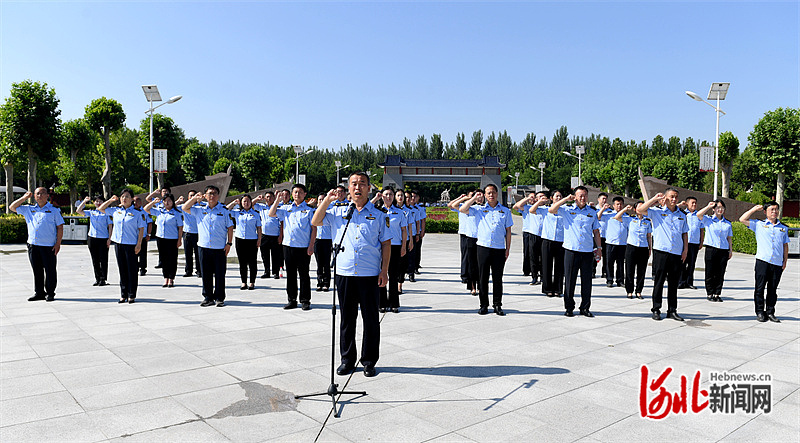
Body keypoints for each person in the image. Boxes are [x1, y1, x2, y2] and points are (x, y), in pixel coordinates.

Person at [311, 172, 391, 378]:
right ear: (348, 189)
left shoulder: (380, 215)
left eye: (362, 184)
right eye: (354, 184)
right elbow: (315, 221)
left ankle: (369, 361)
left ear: (369, 188)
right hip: (345, 273)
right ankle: (347, 359)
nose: (358, 188)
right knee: (347, 318)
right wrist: (328, 200)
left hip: (370, 274)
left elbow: (386, 243)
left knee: (370, 319)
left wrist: (384, 271)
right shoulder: (339, 213)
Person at [460, 184, 514, 316]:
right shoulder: (479, 209)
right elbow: (462, 209)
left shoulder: (505, 211)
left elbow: (508, 231)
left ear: (497, 193)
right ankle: (483, 304)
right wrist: (473, 198)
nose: (491, 195)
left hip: (499, 248)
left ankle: (497, 304)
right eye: (488, 193)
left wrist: (508, 249)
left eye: (493, 192)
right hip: (483, 248)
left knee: (497, 278)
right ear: (484, 195)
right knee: (482, 278)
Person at [549, 187, 602, 317]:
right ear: (575, 196)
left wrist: (599, 248)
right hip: (571, 250)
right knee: (570, 281)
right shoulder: (567, 209)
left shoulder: (592, 212)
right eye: (580, 196)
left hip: (587, 251)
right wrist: (566, 199)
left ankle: (585, 307)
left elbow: (596, 231)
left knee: (587, 281)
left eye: (584, 196)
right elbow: (551, 210)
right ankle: (569, 307)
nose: (582, 198)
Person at [638, 189, 688, 321]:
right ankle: (656, 309)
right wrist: (654, 199)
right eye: (671, 197)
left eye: (676, 197)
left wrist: (685, 250)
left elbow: (684, 233)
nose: (674, 199)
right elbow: (640, 210)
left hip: (676, 252)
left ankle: (672, 310)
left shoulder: (682, 215)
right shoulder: (657, 212)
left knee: (673, 283)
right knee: (659, 282)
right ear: (665, 198)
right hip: (661, 252)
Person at [182, 185, 234, 307]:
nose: (212, 196)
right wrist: (195, 198)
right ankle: (208, 297)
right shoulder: (199, 209)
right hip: (204, 246)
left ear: (218, 196)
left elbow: (230, 227)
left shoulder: (224, 210)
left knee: (220, 274)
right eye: (209, 193)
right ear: (205, 196)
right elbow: (185, 207)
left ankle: (220, 297)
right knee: (206, 273)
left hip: (219, 247)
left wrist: (229, 243)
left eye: (215, 193)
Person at [10, 188, 64, 302]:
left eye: (42, 193)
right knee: (37, 270)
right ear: (34, 196)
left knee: (50, 270)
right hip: (33, 245)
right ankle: (39, 292)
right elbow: (12, 207)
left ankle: (50, 293)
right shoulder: (28, 209)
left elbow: (60, 227)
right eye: (37, 194)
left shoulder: (54, 210)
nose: (40, 195)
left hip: (49, 246)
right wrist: (24, 198)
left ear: (47, 196)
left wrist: (58, 243)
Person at [739, 202, 789, 323]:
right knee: (759, 288)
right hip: (762, 262)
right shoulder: (759, 224)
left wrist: (785, 261)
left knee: (773, 290)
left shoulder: (783, 228)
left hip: (777, 263)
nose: (774, 212)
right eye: (771, 209)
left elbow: (785, 246)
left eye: (776, 209)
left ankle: (770, 312)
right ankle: (760, 312)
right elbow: (742, 219)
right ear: (765, 212)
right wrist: (754, 209)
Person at [270, 184, 316, 310]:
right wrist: (277, 200)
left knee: (304, 275)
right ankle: (292, 299)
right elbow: (271, 213)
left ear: (305, 194)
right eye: (295, 192)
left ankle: (305, 300)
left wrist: (311, 246)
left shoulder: (309, 210)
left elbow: (314, 229)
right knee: (290, 275)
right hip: (288, 246)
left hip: (303, 247)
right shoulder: (286, 209)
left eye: (300, 192)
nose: (297, 194)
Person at [98, 189, 146, 303]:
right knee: (122, 269)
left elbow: (141, 229)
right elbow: (101, 208)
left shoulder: (137, 213)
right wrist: (110, 200)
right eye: (123, 196)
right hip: (119, 244)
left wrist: (139, 244)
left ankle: (131, 294)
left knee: (132, 270)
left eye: (127, 196)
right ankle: (123, 294)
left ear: (132, 199)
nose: (124, 198)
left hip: (131, 245)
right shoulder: (116, 211)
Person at [373, 187, 408, 313]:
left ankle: (394, 303)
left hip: (395, 245)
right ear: (382, 196)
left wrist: (404, 246)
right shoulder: (376, 210)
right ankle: (381, 302)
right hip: (380, 246)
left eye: (391, 194)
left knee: (393, 275)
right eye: (386, 194)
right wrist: (375, 198)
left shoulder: (399, 212)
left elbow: (404, 230)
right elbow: (363, 208)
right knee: (381, 274)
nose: (389, 197)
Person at [696, 200, 732, 302]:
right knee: (710, 272)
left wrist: (730, 250)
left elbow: (729, 238)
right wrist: (708, 206)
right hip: (711, 249)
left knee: (720, 273)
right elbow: (698, 214)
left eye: (722, 208)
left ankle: (717, 293)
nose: (720, 210)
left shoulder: (727, 223)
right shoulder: (708, 220)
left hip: (723, 250)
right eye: (718, 207)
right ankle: (710, 293)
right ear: (714, 209)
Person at [144, 193, 183, 288]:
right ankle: (166, 278)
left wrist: (179, 240)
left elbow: (180, 227)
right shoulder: (160, 211)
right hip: (161, 238)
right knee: (164, 258)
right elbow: (146, 209)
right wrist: (153, 202)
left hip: (172, 239)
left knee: (172, 259)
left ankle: (171, 278)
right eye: (165, 200)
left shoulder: (177, 213)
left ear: (173, 202)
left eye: (169, 200)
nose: (167, 202)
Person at [448, 190, 482, 295]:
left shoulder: (483, 208)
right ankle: (470, 283)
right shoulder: (468, 207)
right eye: (476, 195)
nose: (478, 197)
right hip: (468, 236)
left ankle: (480, 285)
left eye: (480, 195)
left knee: (480, 264)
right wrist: (465, 198)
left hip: (481, 239)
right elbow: (452, 205)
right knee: (469, 260)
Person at [616, 202, 651, 299]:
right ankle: (629, 290)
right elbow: (617, 217)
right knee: (629, 270)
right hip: (631, 247)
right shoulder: (630, 219)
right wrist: (625, 209)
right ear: (635, 209)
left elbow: (649, 236)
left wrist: (650, 248)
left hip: (643, 248)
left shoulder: (647, 221)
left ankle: (639, 291)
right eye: (639, 206)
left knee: (641, 271)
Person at [227, 195, 262, 290]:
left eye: (248, 201)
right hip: (240, 239)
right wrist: (233, 203)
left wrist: (259, 239)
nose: (246, 203)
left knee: (252, 262)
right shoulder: (237, 213)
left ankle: (252, 282)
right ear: (241, 203)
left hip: (252, 240)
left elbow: (259, 228)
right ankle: (243, 282)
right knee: (242, 262)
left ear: (251, 202)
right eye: (244, 201)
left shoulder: (256, 214)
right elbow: (226, 210)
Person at [76, 195, 112, 286]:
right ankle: (97, 278)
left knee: (103, 259)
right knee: (95, 259)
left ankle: (103, 279)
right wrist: (84, 201)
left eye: (100, 201)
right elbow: (78, 211)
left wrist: (109, 239)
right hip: (92, 238)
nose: (98, 202)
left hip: (103, 238)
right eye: (96, 201)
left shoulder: (106, 213)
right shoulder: (92, 212)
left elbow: (110, 226)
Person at [513, 191, 545, 285]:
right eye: (539, 197)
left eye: (543, 197)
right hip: (532, 234)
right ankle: (534, 276)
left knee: (543, 257)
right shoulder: (529, 208)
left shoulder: (548, 208)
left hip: (544, 235)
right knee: (532, 256)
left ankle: (543, 276)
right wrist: (528, 198)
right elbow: (516, 206)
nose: (541, 198)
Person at [253, 191, 283, 279]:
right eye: (267, 197)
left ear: (274, 198)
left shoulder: (278, 207)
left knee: (275, 255)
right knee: (265, 255)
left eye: (270, 197)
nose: (269, 198)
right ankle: (267, 271)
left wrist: (280, 236)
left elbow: (282, 223)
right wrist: (257, 199)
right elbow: (250, 204)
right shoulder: (261, 207)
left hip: (275, 235)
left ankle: (276, 272)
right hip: (264, 235)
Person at [540, 191, 564, 298]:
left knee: (560, 266)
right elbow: (531, 210)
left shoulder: (565, 211)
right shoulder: (545, 209)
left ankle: (558, 289)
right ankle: (548, 288)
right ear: (551, 198)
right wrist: (540, 201)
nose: (558, 198)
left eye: (560, 196)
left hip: (561, 241)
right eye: (556, 196)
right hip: (547, 240)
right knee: (546, 265)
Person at [678, 197, 703, 289]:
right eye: (692, 203)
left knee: (692, 263)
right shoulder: (683, 214)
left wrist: (701, 242)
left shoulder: (699, 215)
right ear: (687, 204)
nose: (694, 205)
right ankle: (681, 281)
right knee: (682, 263)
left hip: (694, 243)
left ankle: (689, 282)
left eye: (695, 203)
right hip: (684, 243)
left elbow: (701, 230)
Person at [602, 196, 627, 288]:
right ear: (613, 205)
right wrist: (603, 209)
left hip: (622, 243)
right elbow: (598, 217)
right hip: (611, 242)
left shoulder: (626, 216)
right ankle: (609, 279)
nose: (619, 206)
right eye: (617, 204)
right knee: (609, 262)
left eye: (621, 204)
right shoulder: (608, 214)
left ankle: (620, 280)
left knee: (620, 263)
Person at [177, 190, 201, 278]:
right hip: (187, 233)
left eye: (194, 195)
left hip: (198, 233)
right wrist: (179, 201)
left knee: (198, 254)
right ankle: (188, 271)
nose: (192, 197)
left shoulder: (200, 207)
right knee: (188, 253)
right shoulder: (183, 206)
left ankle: (199, 270)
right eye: (191, 196)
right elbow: (172, 206)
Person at [395, 189, 415, 295]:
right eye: (398, 195)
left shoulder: (407, 211)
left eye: (402, 195)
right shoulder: (389, 209)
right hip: (393, 241)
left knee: (402, 264)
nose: (400, 197)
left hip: (404, 240)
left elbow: (410, 227)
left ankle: (399, 285)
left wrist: (410, 240)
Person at [313, 193, 332, 292]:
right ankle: (319, 282)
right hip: (317, 240)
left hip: (328, 240)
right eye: (320, 200)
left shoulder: (330, 213)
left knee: (326, 263)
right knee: (319, 263)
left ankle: (326, 283)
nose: (321, 201)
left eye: (323, 199)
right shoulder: (314, 212)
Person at [132, 196, 153, 276]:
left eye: (136, 201)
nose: (135, 203)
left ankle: (143, 268)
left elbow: (150, 223)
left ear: (140, 202)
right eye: (133, 201)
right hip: (133, 236)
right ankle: (135, 267)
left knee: (143, 253)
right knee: (134, 253)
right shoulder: (131, 211)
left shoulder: (145, 211)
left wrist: (149, 234)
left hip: (143, 236)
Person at [594, 192, 613, 279]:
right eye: (603, 199)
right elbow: (597, 217)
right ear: (598, 199)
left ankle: (605, 272)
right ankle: (592, 271)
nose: (604, 201)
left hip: (607, 236)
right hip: (596, 235)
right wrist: (602, 209)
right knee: (594, 254)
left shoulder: (610, 210)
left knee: (606, 255)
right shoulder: (594, 209)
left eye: (606, 199)